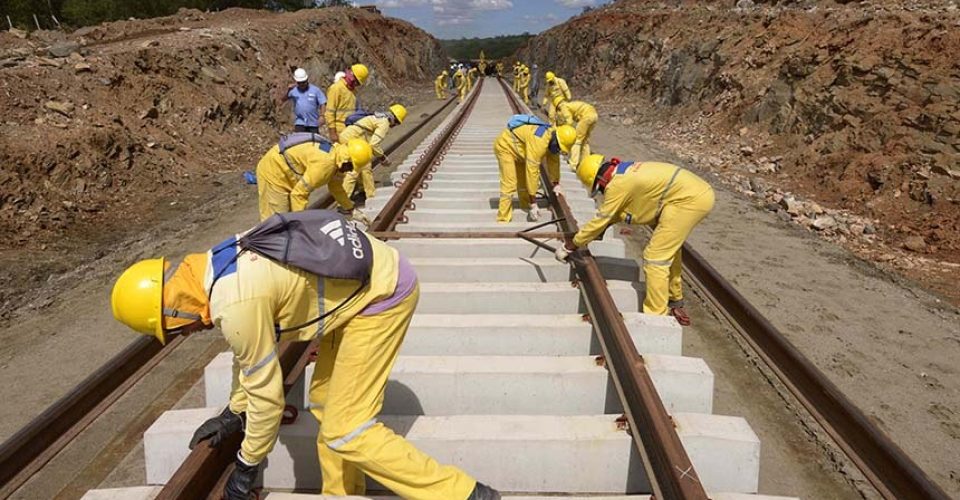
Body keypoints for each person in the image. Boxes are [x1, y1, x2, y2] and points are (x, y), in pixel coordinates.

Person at [109, 212, 503, 500]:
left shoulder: (235, 303)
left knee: (348, 429)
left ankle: (464, 493)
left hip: (382, 296)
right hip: (362, 285)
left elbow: (267, 398)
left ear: (173, 311)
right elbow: (248, 355)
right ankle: (341, 494)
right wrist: (234, 411)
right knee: (325, 402)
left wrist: (246, 466)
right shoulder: (214, 265)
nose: (184, 335)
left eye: (173, 331)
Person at [556, 155, 715, 326]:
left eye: (600, 188)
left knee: (655, 257)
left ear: (601, 179)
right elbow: (620, 211)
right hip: (692, 193)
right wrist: (597, 231)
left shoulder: (617, 185)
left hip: (689, 200)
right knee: (668, 250)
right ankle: (674, 299)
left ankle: (656, 318)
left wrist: (571, 245)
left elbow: (603, 217)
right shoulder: (624, 173)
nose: (602, 191)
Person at [255, 133, 372, 225]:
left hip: (287, 172)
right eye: (351, 167)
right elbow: (298, 194)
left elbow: (336, 188)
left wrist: (351, 209)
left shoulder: (337, 158)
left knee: (287, 219)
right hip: (273, 171)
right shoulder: (325, 164)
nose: (350, 171)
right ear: (347, 160)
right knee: (276, 221)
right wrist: (301, 223)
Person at [493, 117, 576, 222]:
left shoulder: (553, 139)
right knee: (510, 183)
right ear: (557, 140)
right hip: (505, 147)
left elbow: (554, 162)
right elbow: (532, 171)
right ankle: (503, 218)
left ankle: (525, 205)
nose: (558, 150)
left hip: (520, 150)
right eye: (559, 147)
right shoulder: (539, 141)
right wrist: (534, 202)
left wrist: (556, 183)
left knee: (523, 182)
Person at [340, 104, 408, 201]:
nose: (394, 126)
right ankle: (350, 200)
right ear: (395, 120)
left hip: (348, 136)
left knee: (363, 167)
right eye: (397, 123)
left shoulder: (379, 117)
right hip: (353, 139)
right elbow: (374, 144)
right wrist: (382, 157)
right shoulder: (384, 123)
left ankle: (364, 192)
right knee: (359, 167)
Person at [325, 63, 369, 143]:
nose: (356, 84)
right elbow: (329, 112)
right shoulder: (336, 88)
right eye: (356, 81)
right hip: (340, 130)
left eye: (358, 83)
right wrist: (332, 133)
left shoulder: (352, 91)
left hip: (351, 128)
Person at [556, 100, 598, 169]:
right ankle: (585, 163)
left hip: (586, 117)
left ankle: (573, 163)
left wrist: (565, 129)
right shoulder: (570, 105)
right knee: (585, 141)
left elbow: (569, 121)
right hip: (594, 116)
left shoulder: (564, 107)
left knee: (577, 140)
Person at [282, 68, 326, 133]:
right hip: (300, 122)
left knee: (312, 139)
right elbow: (283, 100)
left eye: (303, 82)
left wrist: (322, 116)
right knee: (300, 139)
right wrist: (288, 91)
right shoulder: (293, 91)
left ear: (307, 80)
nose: (302, 84)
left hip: (313, 123)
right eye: (299, 83)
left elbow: (323, 103)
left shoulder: (315, 90)